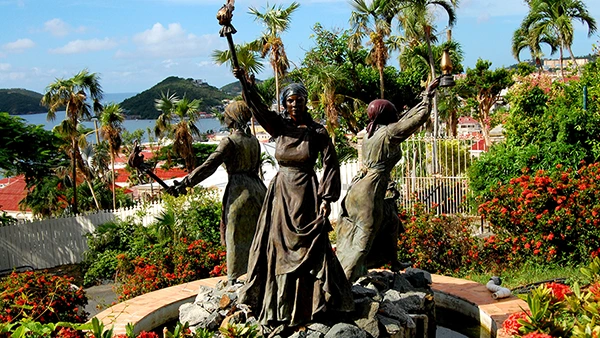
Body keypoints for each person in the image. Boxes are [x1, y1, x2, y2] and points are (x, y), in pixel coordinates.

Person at [234, 71, 353, 329]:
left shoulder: (317, 131)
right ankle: (279, 307)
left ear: (305, 102)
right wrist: (247, 85)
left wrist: (327, 198)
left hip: (307, 194)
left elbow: (331, 163)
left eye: (299, 100)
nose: (294, 105)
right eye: (289, 101)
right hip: (281, 194)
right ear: (284, 104)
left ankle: (312, 305)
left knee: (310, 248)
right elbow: (257, 109)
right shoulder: (279, 126)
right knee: (277, 247)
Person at [335, 78, 440, 282]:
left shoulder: (369, 133)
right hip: (370, 190)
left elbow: (403, 119)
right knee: (364, 238)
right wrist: (427, 97)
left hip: (359, 187)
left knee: (391, 220)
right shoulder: (389, 133)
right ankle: (342, 282)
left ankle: (393, 261)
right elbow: (414, 121)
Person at [169, 101, 267, 285]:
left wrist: (186, 183)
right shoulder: (254, 141)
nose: (224, 117)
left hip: (239, 191)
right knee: (257, 235)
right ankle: (257, 274)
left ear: (232, 118)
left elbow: (209, 165)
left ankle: (233, 280)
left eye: (226, 114)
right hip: (258, 191)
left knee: (234, 236)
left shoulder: (229, 141)